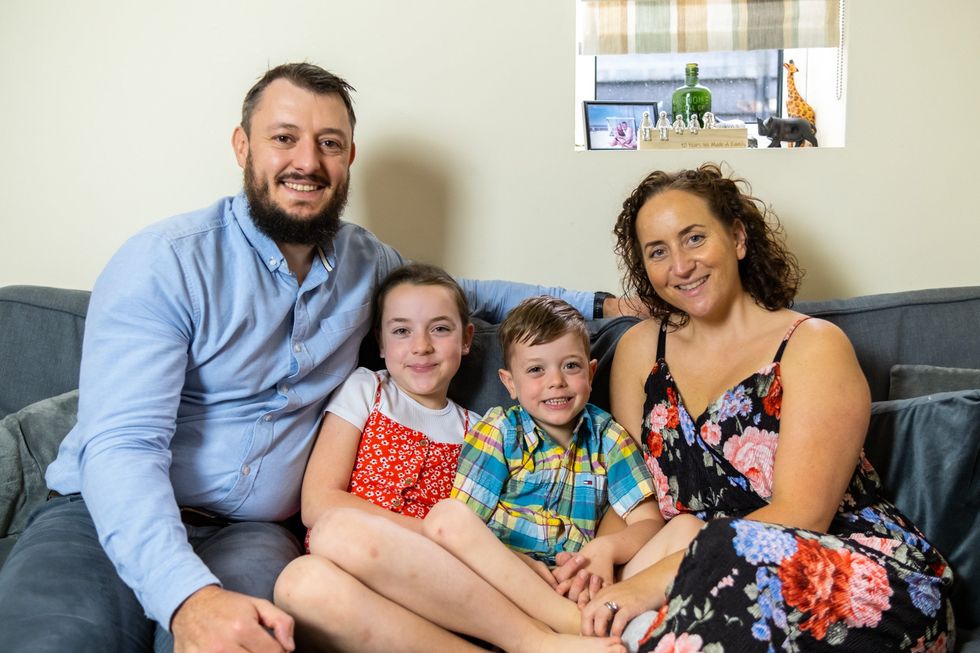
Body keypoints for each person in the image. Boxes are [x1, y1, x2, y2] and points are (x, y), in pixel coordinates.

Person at [0, 62, 628, 653]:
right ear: (242, 147)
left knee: (243, 643)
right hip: (99, 514)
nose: (308, 161)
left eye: (329, 142)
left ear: (349, 158)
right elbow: (123, 449)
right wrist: (187, 596)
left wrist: (600, 303)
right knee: (51, 641)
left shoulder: (366, 265)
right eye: (284, 137)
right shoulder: (166, 264)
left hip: (250, 537)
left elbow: (466, 294)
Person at [575, 164, 954, 650]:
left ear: (737, 237)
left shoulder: (812, 345)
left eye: (694, 238)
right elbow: (630, 496)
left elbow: (803, 514)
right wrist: (603, 562)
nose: (680, 266)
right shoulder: (639, 351)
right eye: (658, 251)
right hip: (691, 570)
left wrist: (650, 582)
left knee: (708, 614)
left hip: (842, 570)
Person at [274, 296, 670, 653]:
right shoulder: (494, 429)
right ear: (509, 384)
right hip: (495, 580)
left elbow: (646, 521)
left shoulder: (608, 437)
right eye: (536, 370)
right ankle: (557, 633)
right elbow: (464, 530)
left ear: (591, 370)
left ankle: (559, 629)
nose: (555, 381)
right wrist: (515, 561)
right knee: (311, 570)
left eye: (570, 367)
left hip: (568, 582)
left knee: (685, 531)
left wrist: (604, 550)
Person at [298, 261, 480, 548]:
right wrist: (435, 534)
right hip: (347, 549)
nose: (421, 346)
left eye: (440, 328)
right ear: (380, 342)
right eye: (401, 331)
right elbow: (317, 503)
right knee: (314, 563)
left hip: (428, 565)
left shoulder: (479, 432)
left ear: (466, 338)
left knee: (306, 578)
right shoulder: (366, 390)